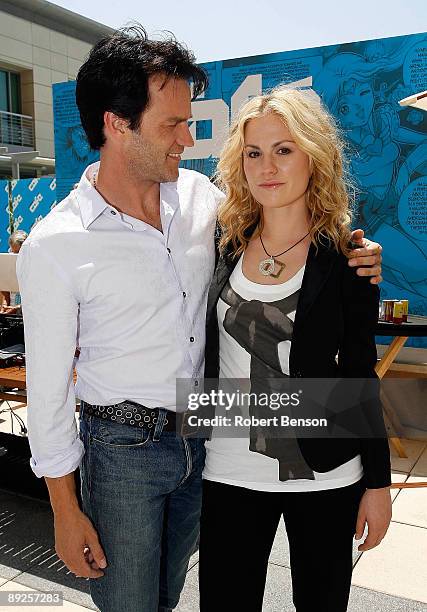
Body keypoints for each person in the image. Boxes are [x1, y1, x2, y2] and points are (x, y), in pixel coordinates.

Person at [17, 27, 383, 612]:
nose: (188, 139)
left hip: (203, 440)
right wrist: (64, 508)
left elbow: (283, 222)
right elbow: (48, 393)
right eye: (173, 125)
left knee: (169, 599)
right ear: (117, 124)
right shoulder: (57, 245)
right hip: (122, 449)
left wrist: (353, 251)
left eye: (188, 122)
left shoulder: (202, 203)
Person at [199, 87, 391, 612]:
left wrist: (377, 484)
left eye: (284, 149)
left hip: (326, 471)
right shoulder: (220, 244)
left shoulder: (348, 257)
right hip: (229, 466)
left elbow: (358, 375)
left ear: (314, 156)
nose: (268, 166)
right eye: (254, 153)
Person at [0, 230, 28, 315]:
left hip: (26, 315)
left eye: (19, 253)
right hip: (11, 314)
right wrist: (4, 306)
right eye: (13, 252)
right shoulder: (8, 262)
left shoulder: (33, 268)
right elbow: (6, 292)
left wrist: (18, 307)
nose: (16, 257)